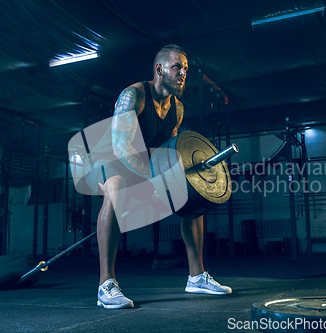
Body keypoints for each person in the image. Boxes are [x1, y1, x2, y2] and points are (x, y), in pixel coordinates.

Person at [93, 44, 232, 309]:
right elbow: (121, 147)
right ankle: (105, 284)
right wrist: (155, 179)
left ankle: (196, 277)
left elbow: (169, 148)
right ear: (160, 69)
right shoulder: (133, 96)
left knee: (191, 199)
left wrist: (182, 179)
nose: (183, 73)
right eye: (177, 66)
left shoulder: (177, 108)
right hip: (112, 157)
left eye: (186, 69)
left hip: (147, 162)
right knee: (116, 188)